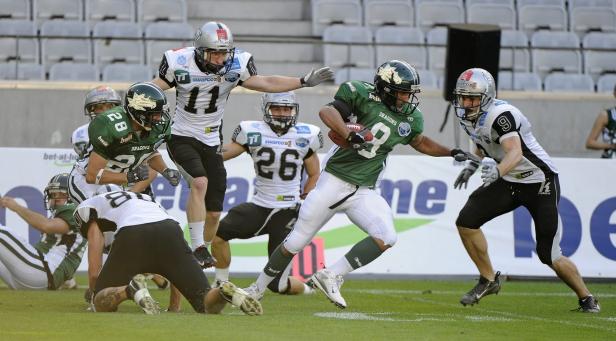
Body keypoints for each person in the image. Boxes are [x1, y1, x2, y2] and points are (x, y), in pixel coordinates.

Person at [244, 60, 467, 308]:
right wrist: (350, 133)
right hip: (335, 179)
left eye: (409, 93)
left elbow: (421, 142)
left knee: (387, 236)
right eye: (403, 92)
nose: (407, 99)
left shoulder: (411, 118)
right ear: (386, 89)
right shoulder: (361, 93)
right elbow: (327, 112)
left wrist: (451, 151)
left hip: (363, 190)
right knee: (296, 241)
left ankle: (331, 274)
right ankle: (256, 289)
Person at [152, 21, 334, 268]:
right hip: (182, 134)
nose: (219, 59)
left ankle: (199, 255)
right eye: (213, 52)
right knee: (199, 182)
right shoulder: (178, 62)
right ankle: (197, 247)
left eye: (223, 53)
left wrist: (302, 81)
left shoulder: (237, 64)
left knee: (215, 212)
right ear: (199, 50)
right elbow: (152, 88)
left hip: (211, 139)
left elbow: (266, 83)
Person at [451, 68, 600, 313]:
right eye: (463, 97)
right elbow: (482, 142)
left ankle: (587, 298)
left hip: (539, 181)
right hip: (511, 180)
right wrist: (473, 164)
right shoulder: (470, 116)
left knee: (548, 254)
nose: (466, 103)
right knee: (466, 221)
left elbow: (515, 152)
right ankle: (488, 279)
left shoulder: (501, 115)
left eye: (472, 98)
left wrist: (497, 172)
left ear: (487, 97)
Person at [75, 184, 263, 315]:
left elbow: (94, 268)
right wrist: (174, 306)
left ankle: (129, 291)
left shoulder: (90, 206)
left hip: (133, 234)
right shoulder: (145, 199)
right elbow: (175, 271)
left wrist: (95, 293)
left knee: (100, 303)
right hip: (169, 229)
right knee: (206, 304)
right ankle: (223, 291)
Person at [211, 91, 321, 296]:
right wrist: (204, 155)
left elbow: (315, 174)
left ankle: (309, 290)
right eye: (277, 108)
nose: (282, 113)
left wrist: (306, 198)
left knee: (277, 285)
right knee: (218, 235)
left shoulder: (306, 135)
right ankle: (221, 284)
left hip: (288, 211)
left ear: (294, 110)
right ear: (266, 109)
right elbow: (222, 156)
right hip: (260, 205)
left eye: (286, 108)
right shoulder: (253, 131)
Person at [69, 85, 157, 203]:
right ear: (91, 110)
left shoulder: (134, 128)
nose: (105, 111)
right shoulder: (81, 134)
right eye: (99, 107)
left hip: (130, 185)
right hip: (95, 184)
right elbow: (90, 171)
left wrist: (129, 195)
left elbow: (151, 169)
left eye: (110, 106)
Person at [0, 173, 86, 290]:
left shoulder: (76, 210)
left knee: (2, 233)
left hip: (42, 274)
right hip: (33, 276)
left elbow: (46, 226)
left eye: (61, 194)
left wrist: (16, 207)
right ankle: (68, 281)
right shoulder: (64, 215)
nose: (55, 198)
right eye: (53, 194)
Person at [585, 85, 616, 158]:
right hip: (610, 161)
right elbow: (590, 143)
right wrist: (611, 145)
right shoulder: (606, 115)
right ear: (614, 93)